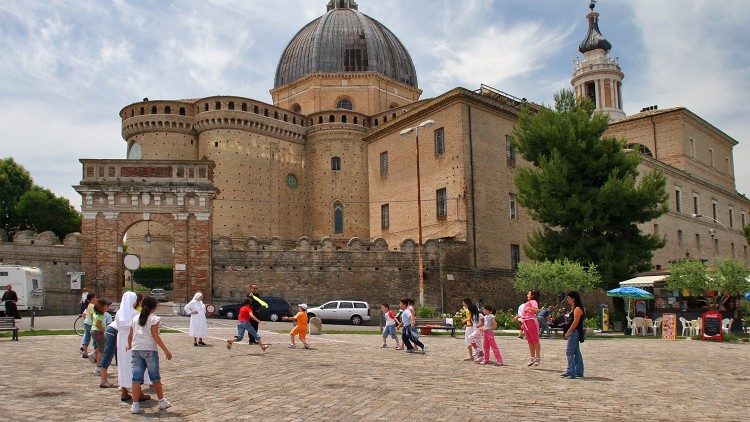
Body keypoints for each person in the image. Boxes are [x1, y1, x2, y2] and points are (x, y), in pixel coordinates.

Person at [127, 296, 173, 414]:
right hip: (150, 350)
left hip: (136, 350)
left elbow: (130, 334)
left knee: (136, 378)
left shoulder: (135, 318)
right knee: (155, 377)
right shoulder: (154, 319)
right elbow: (155, 336)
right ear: (154, 307)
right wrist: (165, 350)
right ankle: (161, 401)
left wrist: (129, 345)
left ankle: (135, 404)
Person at [116, 292, 150, 402]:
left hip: (121, 340)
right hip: (132, 339)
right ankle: (138, 393)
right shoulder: (135, 313)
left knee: (123, 364)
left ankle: (124, 391)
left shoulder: (118, 313)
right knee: (136, 365)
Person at [562, 291, 585, 379]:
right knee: (576, 352)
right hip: (574, 332)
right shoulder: (573, 308)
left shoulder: (577, 309)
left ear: (573, 299)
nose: (567, 299)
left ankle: (571, 371)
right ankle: (579, 371)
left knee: (569, 351)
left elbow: (576, 322)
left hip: (574, 332)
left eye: (568, 298)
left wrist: (568, 332)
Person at [99, 303, 119, 389]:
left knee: (118, 355)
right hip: (113, 332)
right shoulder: (132, 311)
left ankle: (121, 379)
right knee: (108, 354)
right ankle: (103, 381)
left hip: (112, 330)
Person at [521, 290, 542, 366]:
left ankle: (538, 357)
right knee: (530, 341)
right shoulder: (528, 302)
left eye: (528, 294)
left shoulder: (533, 301)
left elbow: (537, 310)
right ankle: (532, 357)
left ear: (532, 295)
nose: (527, 295)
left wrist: (529, 309)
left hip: (531, 321)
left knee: (535, 340)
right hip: (526, 321)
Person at [91, 298, 108, 376]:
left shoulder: (95, 313)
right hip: (98, 332)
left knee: (101, 345)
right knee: (102, 350)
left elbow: (92, 318)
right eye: (106, 306)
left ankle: (93, 353)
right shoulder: (101, 315)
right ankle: (98, 367)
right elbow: (98, 325)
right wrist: (104, 330)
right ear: (102, 308)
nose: (107, 307)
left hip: (94, 330)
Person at [81, 293, 96, 359]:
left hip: (86, 322)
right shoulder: (92, 306)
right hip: (90, 323)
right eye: (95, 297)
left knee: (87, 337)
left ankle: (85, 352)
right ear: (92, 299)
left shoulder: (89, 305)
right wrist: (94, 325)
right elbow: (93, 316)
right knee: (95, 338)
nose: (96, 299)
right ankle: (96, 353)